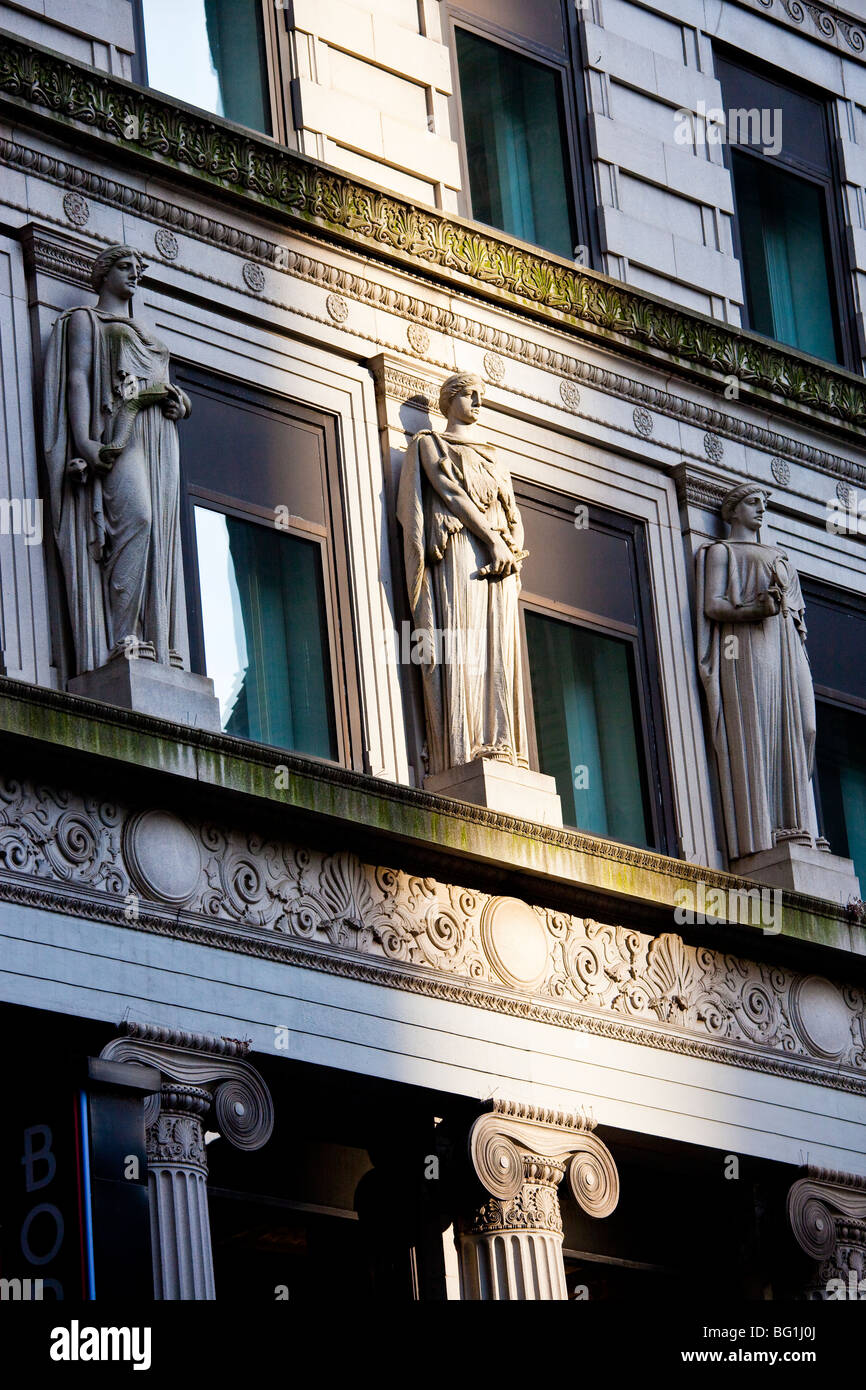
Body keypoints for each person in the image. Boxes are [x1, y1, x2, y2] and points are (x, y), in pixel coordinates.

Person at [43, 243, 191, 676]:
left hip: (159, 438)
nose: (134, 274)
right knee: (138, 519)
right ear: (103, 273)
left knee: (160, 536)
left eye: (138, 268)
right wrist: (87, 446)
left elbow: (162, 382)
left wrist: (179, 404)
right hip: (118, 433)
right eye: (125, 266)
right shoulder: (86, 322)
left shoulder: (142, 328)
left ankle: (156, 640)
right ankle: (120, 636)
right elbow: (77, 381)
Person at [397, 371, 530, 775]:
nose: (478, 403)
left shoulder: (494, 456)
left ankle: (501, 742)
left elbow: (513, 514)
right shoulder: (430, 444)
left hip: (500, 561)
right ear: (449, 399)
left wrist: (510, 546)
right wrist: (493, 540)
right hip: (463, 551)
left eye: (481, 397)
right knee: (465, 638)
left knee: (498, 647)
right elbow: (451, 493)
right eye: (470, 395)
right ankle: (464, 745)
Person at [695, 482, 821, 860]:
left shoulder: (780, 555)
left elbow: (795, 615)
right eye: (753, 502)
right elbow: (714, 606)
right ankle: (768, 829)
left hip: (786, 645)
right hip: (747, 646)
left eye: (764, 504)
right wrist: (755, 609)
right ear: (733, 511)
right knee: (759, 725)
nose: (761, 509)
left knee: (805, 725)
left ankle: (798, 820)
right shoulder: (721, 552)